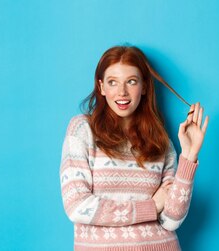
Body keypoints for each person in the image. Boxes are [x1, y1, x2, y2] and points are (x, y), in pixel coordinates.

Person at [59, 45, 209, 251]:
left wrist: (189, 156)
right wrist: (152, 207)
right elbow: (77, 206)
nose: (122, 92)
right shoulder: (82, 129)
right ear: (101, 87)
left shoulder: (160, 139)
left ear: (144, 86)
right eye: (113, 82)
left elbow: (171, 220)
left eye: (131, 81)